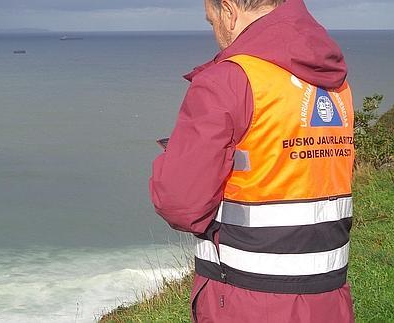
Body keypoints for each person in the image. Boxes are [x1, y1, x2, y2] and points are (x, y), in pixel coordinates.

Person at [149, 0, 355, 322]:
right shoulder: (335, 84)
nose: (214, 32)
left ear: (229, 11)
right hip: (329, 296)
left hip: (247, 299)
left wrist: (175, 156)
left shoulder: (228, 81)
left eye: (211, 20)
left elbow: (180, 204)